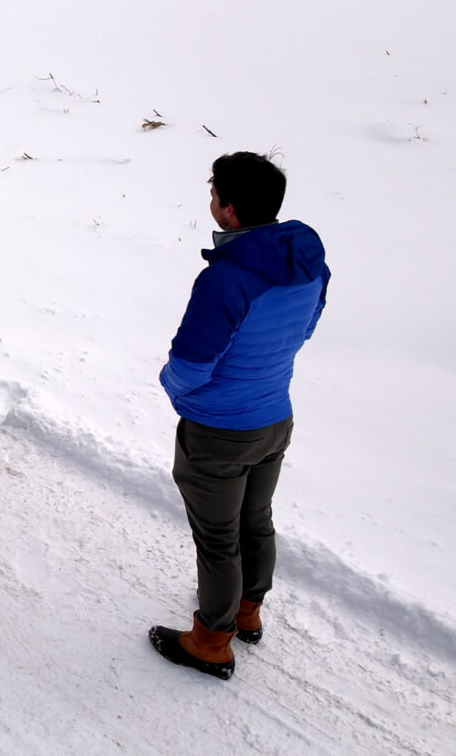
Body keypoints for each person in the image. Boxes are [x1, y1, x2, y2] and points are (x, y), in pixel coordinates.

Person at [149, 152, 330, 679]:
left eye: (214, 195)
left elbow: (190, 363)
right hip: (276, 418)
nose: (210, 202)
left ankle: (211, 641)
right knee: (256, 520)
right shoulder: (308, 262)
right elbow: (305, 329)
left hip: (219, 431)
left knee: (218, 539)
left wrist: (175, 392)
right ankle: (248, 611)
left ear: (228, 210)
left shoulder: (226, 280)